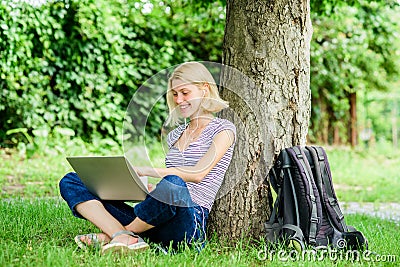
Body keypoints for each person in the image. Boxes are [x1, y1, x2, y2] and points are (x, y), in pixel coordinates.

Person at [59, 62, 236, 254]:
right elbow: (169, 187)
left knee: (173, 183)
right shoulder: (175, 135)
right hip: (153, 219)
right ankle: (124, 236)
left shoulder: (224, 130)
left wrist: (147, 171)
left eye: (185, 93)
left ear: (204, 89)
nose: (179, 100)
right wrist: (149, 189)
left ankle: (120, 235)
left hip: (188, 222)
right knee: (72, 180)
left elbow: (198, 174)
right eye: (175, 94)